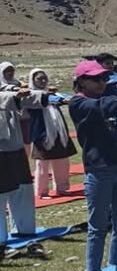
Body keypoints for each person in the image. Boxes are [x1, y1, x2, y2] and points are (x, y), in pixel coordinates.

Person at [69, 60, 117, 271]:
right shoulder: (79, 103)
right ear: (81, 82)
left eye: (104, 78)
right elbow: (105, 106)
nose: (102, 83)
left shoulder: (107, 98)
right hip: (99, 170)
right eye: (96, 79)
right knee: (98, 225)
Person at [0, 80, 46, 250]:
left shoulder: (9, 89)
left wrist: (43, 94)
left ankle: (25, 228)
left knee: (23, 188)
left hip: (15, 147)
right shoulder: (8, 94)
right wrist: (14, 95)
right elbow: (9, 97)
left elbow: (24, 98)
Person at [27, 69, 77, 199]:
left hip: (57, 130)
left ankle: (62, 188)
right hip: (41, 133)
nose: (43, 81)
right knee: (42, 164)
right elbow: (48, 100)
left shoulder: (51, 93)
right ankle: (42, 191)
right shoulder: (30, 95)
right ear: (33, 80)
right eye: (39, 79)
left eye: (44, 78)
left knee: (62, 161)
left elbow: (62, 98)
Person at [1, 62, 32, 155]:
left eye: (12, 70)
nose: (10, 73)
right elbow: (5, 89)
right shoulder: (4, 85)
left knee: (26, 142)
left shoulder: (18, 83)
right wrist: (15, 90)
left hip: (22, 118)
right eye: (7, 71)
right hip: (6, 121)